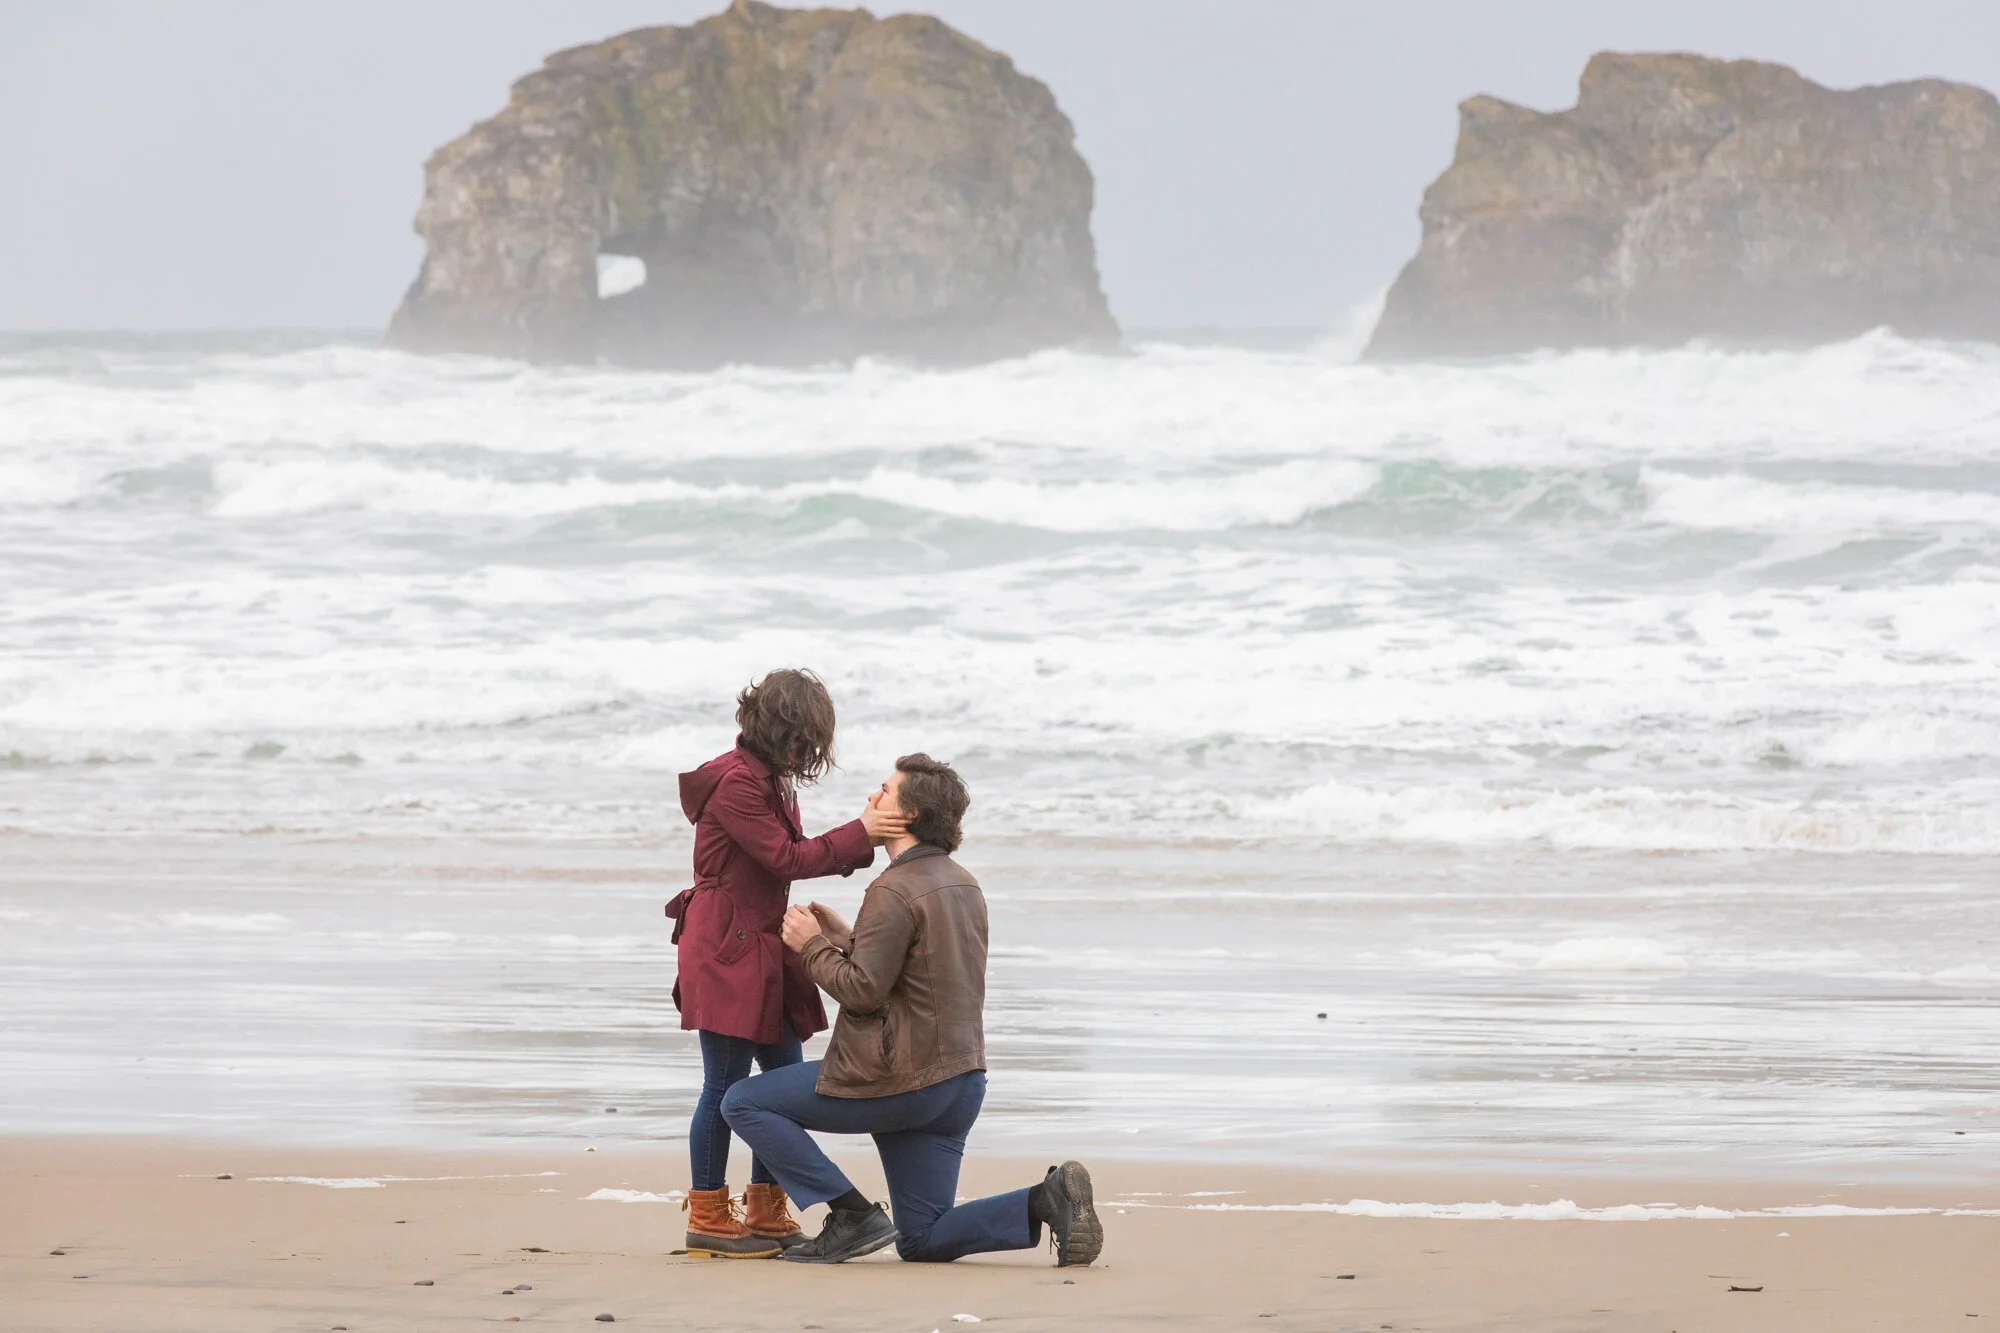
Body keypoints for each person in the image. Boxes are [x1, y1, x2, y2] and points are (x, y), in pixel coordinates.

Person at [720, 753, 1104, 1267]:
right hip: (960, 1083)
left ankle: (850, 1213)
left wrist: (811, 945)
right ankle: (1045, 1199)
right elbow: (923, 972)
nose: (871, 800)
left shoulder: (892, 888)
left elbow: (862, 992)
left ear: (909, 817)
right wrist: (849, 939)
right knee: (921, 1239)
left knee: (743, 1101)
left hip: (902, 1083)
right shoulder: (964, 882)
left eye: (883, 791)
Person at [667, 669, 908, 1258]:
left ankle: (767, 1209)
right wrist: (864, 833)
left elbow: (782, 863)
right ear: (786, 733)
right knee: (723, 1086)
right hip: (728, 947)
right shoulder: (735, 785)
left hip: (768, 944)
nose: (813, 754)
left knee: (779, 1082)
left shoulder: (769, 780)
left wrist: (861, 836)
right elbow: (786, 858)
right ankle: (707, 1214)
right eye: (808, 741)